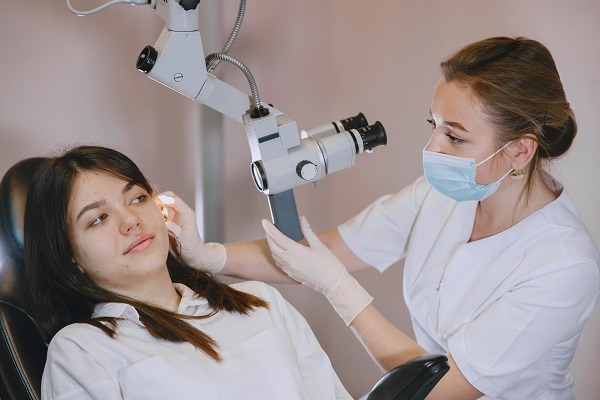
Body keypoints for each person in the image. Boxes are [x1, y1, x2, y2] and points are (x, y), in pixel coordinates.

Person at [163, 37, 600, 399]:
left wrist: (337, 287)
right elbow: (318, 253)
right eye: (434, 124)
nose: (433, 147)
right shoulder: (443, 194)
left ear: (519, 150)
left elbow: (441, 390)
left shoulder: (563, 267)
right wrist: (207, 256)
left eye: (455, 135)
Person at [24, 145, 352, 400]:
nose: (130, 221)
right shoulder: (82, 350)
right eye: (98, 219)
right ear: (69, 257)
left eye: (138, 198)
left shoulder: (259, 300)